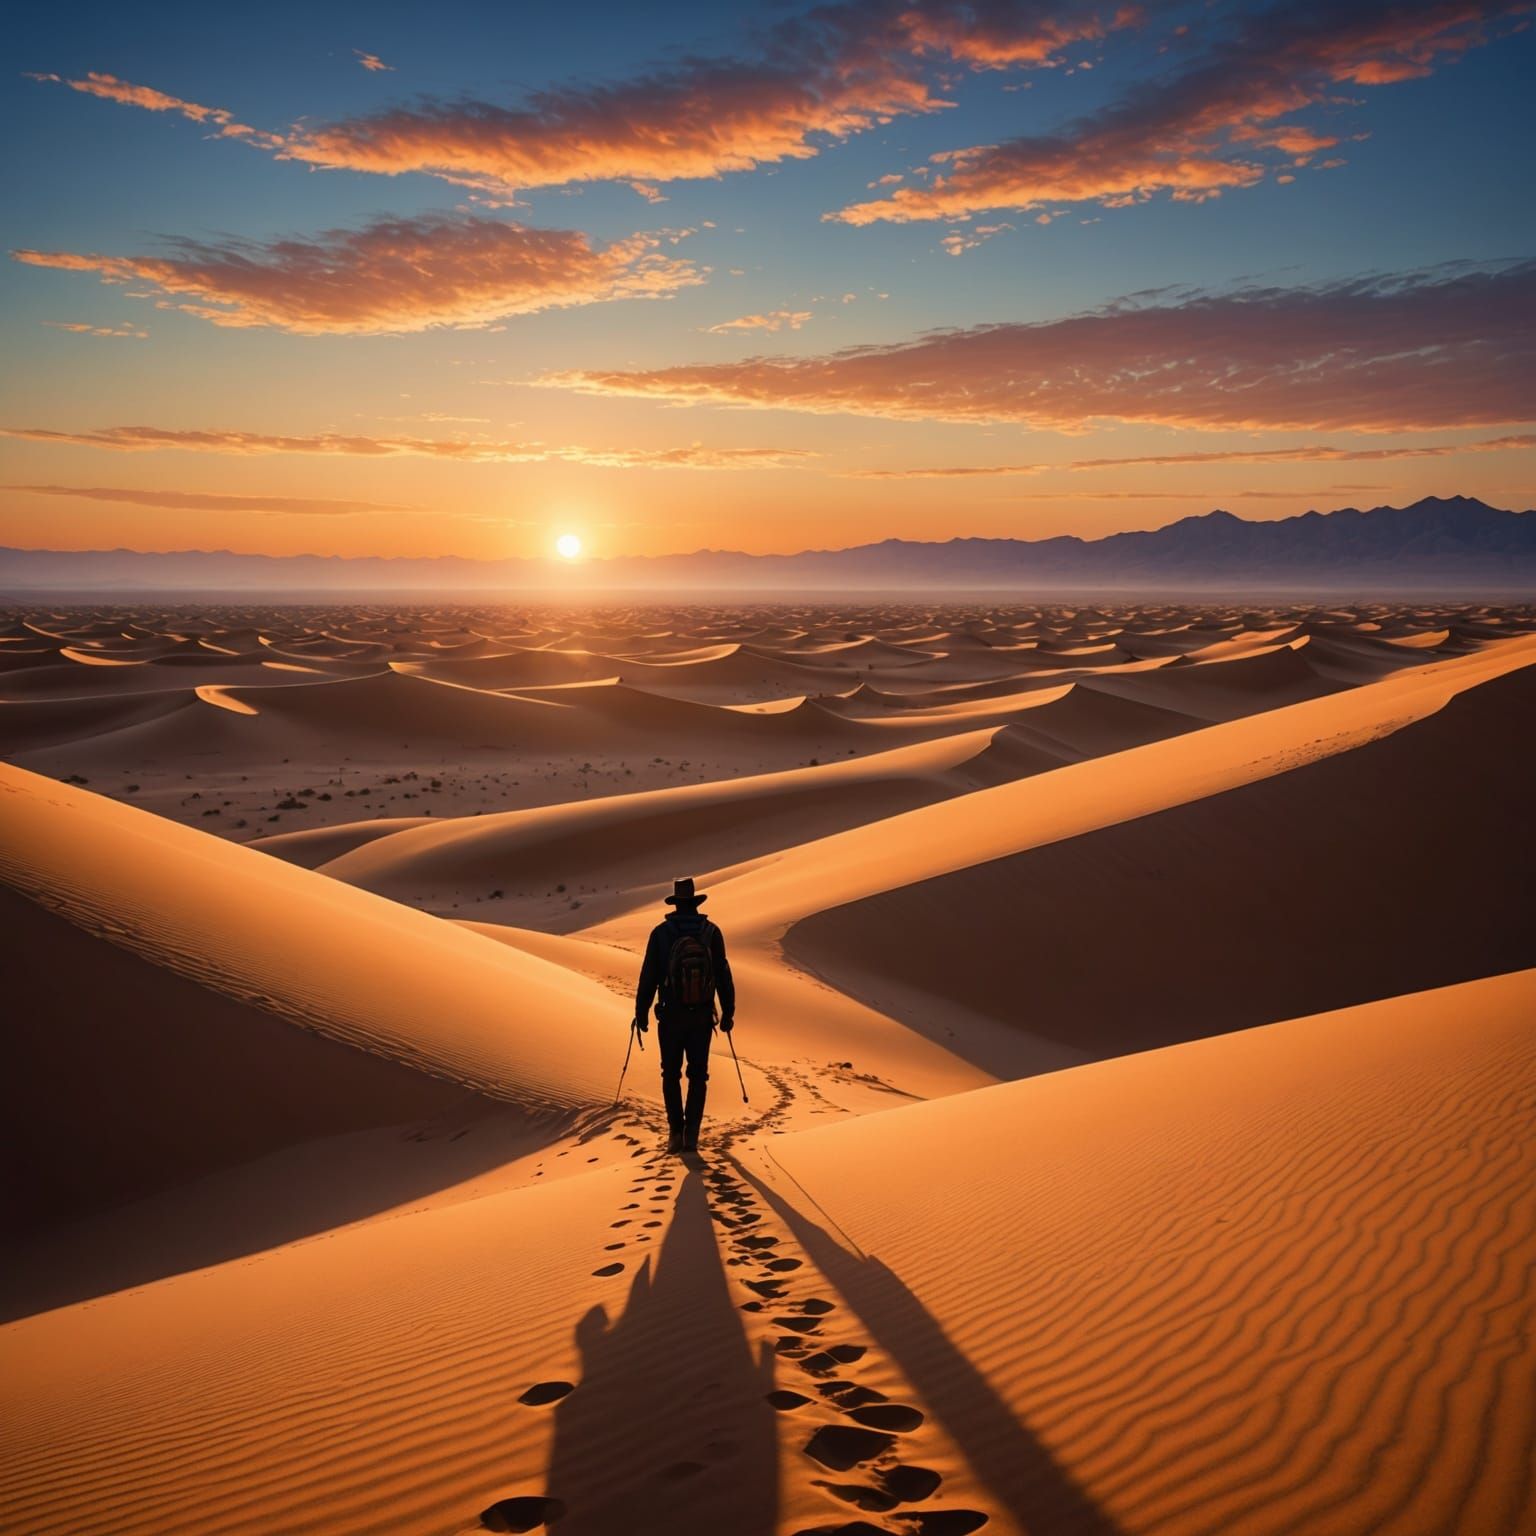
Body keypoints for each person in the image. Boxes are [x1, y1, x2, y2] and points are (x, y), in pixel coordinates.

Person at [633, 876, 735, 1153]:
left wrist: (640, 1013)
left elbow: (649, 977)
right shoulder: (711, 932)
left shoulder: (661, 934)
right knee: (698, 1074)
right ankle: (693, 1134)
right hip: (701, 1016)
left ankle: (675, 1133)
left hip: (670, 1016)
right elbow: (723, 974)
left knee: (670, 1074)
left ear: (676, 904)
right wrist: (728, 1011)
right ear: (695, 903)